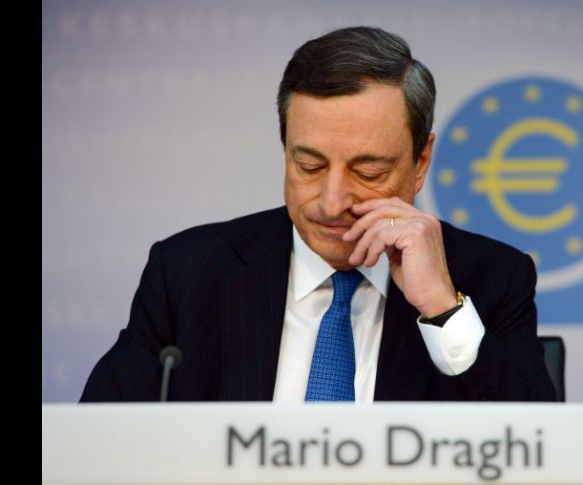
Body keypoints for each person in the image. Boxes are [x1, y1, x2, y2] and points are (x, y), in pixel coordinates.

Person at [80, 26, 556, 403]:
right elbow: (97, 443)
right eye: (309, 166)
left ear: (421, 162)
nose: (331, 202)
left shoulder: (492, 277)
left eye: (368, 171)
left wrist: (441, 307)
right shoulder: (187, 272)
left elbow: (537, 452)